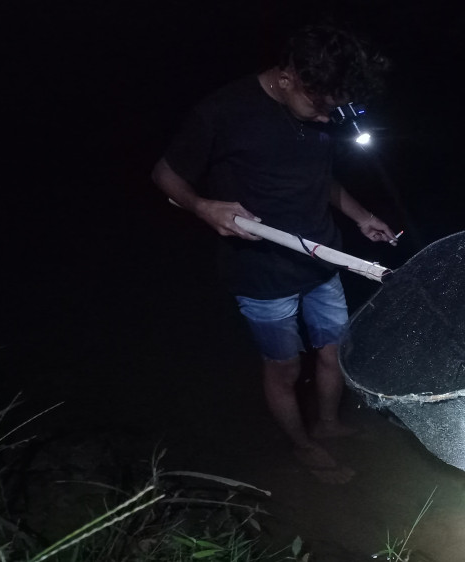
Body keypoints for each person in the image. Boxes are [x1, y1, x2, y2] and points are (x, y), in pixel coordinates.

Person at [151, 24, 395, 481]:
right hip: (261, 272)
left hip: (323, 259)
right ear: (287, 79)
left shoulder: (320, 110)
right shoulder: (222, 111)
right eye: (319, 108)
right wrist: (202, 206)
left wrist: (362, 216)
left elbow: (320, 177)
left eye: (333, 110)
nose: (326, 120)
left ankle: (327, 424)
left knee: (336, 352)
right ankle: (302, 446)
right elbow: (165, 173)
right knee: (285, 368)